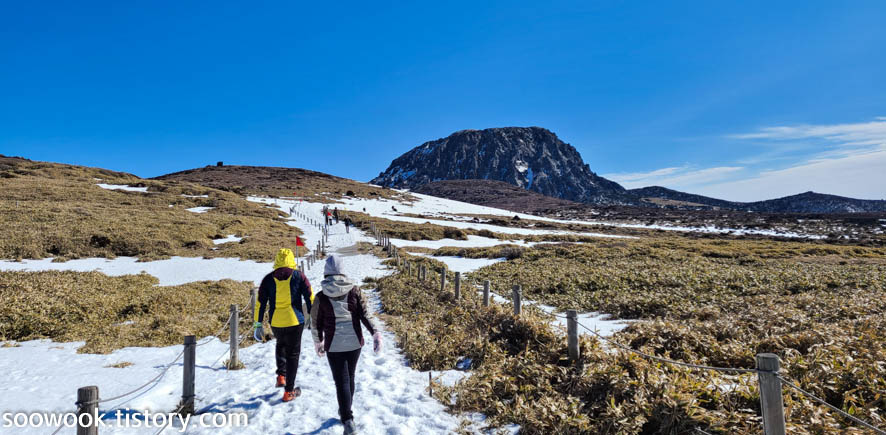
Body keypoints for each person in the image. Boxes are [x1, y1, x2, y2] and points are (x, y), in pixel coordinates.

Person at [311, 256, 382, 435]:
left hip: (333, 346)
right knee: (349, 377)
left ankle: (347, 419)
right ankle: (346, 411)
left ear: (326, 273)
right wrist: (375, 333)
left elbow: (315, 323)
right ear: (343, 272)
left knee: (341, 380)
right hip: (354, 344)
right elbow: (365, 314)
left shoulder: (320, 296)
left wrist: (318, 342)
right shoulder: (355, 291)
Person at [254, 248, 314, 402]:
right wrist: (314, 317)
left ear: (277, 260)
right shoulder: (299, 276)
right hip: (295, 321)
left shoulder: (268, 278)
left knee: (280, 344)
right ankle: (289, 391)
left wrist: (257, 324)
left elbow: (260, 303)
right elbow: (310, 297)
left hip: (276, 321)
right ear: (291, 260)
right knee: (293, 355)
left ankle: (281, 376)